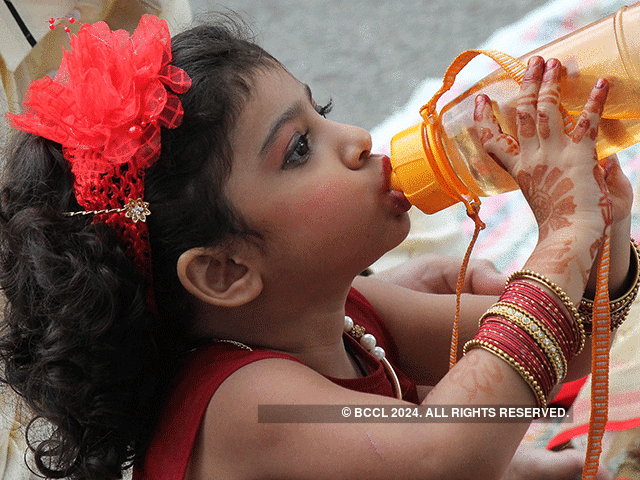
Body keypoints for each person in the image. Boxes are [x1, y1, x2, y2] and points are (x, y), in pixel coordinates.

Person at [0, 12, 634, 480]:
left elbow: (571, 350)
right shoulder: (243, 408)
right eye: (298, 149)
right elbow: (446, 454)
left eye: (322, 109)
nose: (357, 138)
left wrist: (603, 239)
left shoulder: (350, 311)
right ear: (224, 272)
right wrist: (558, 246)